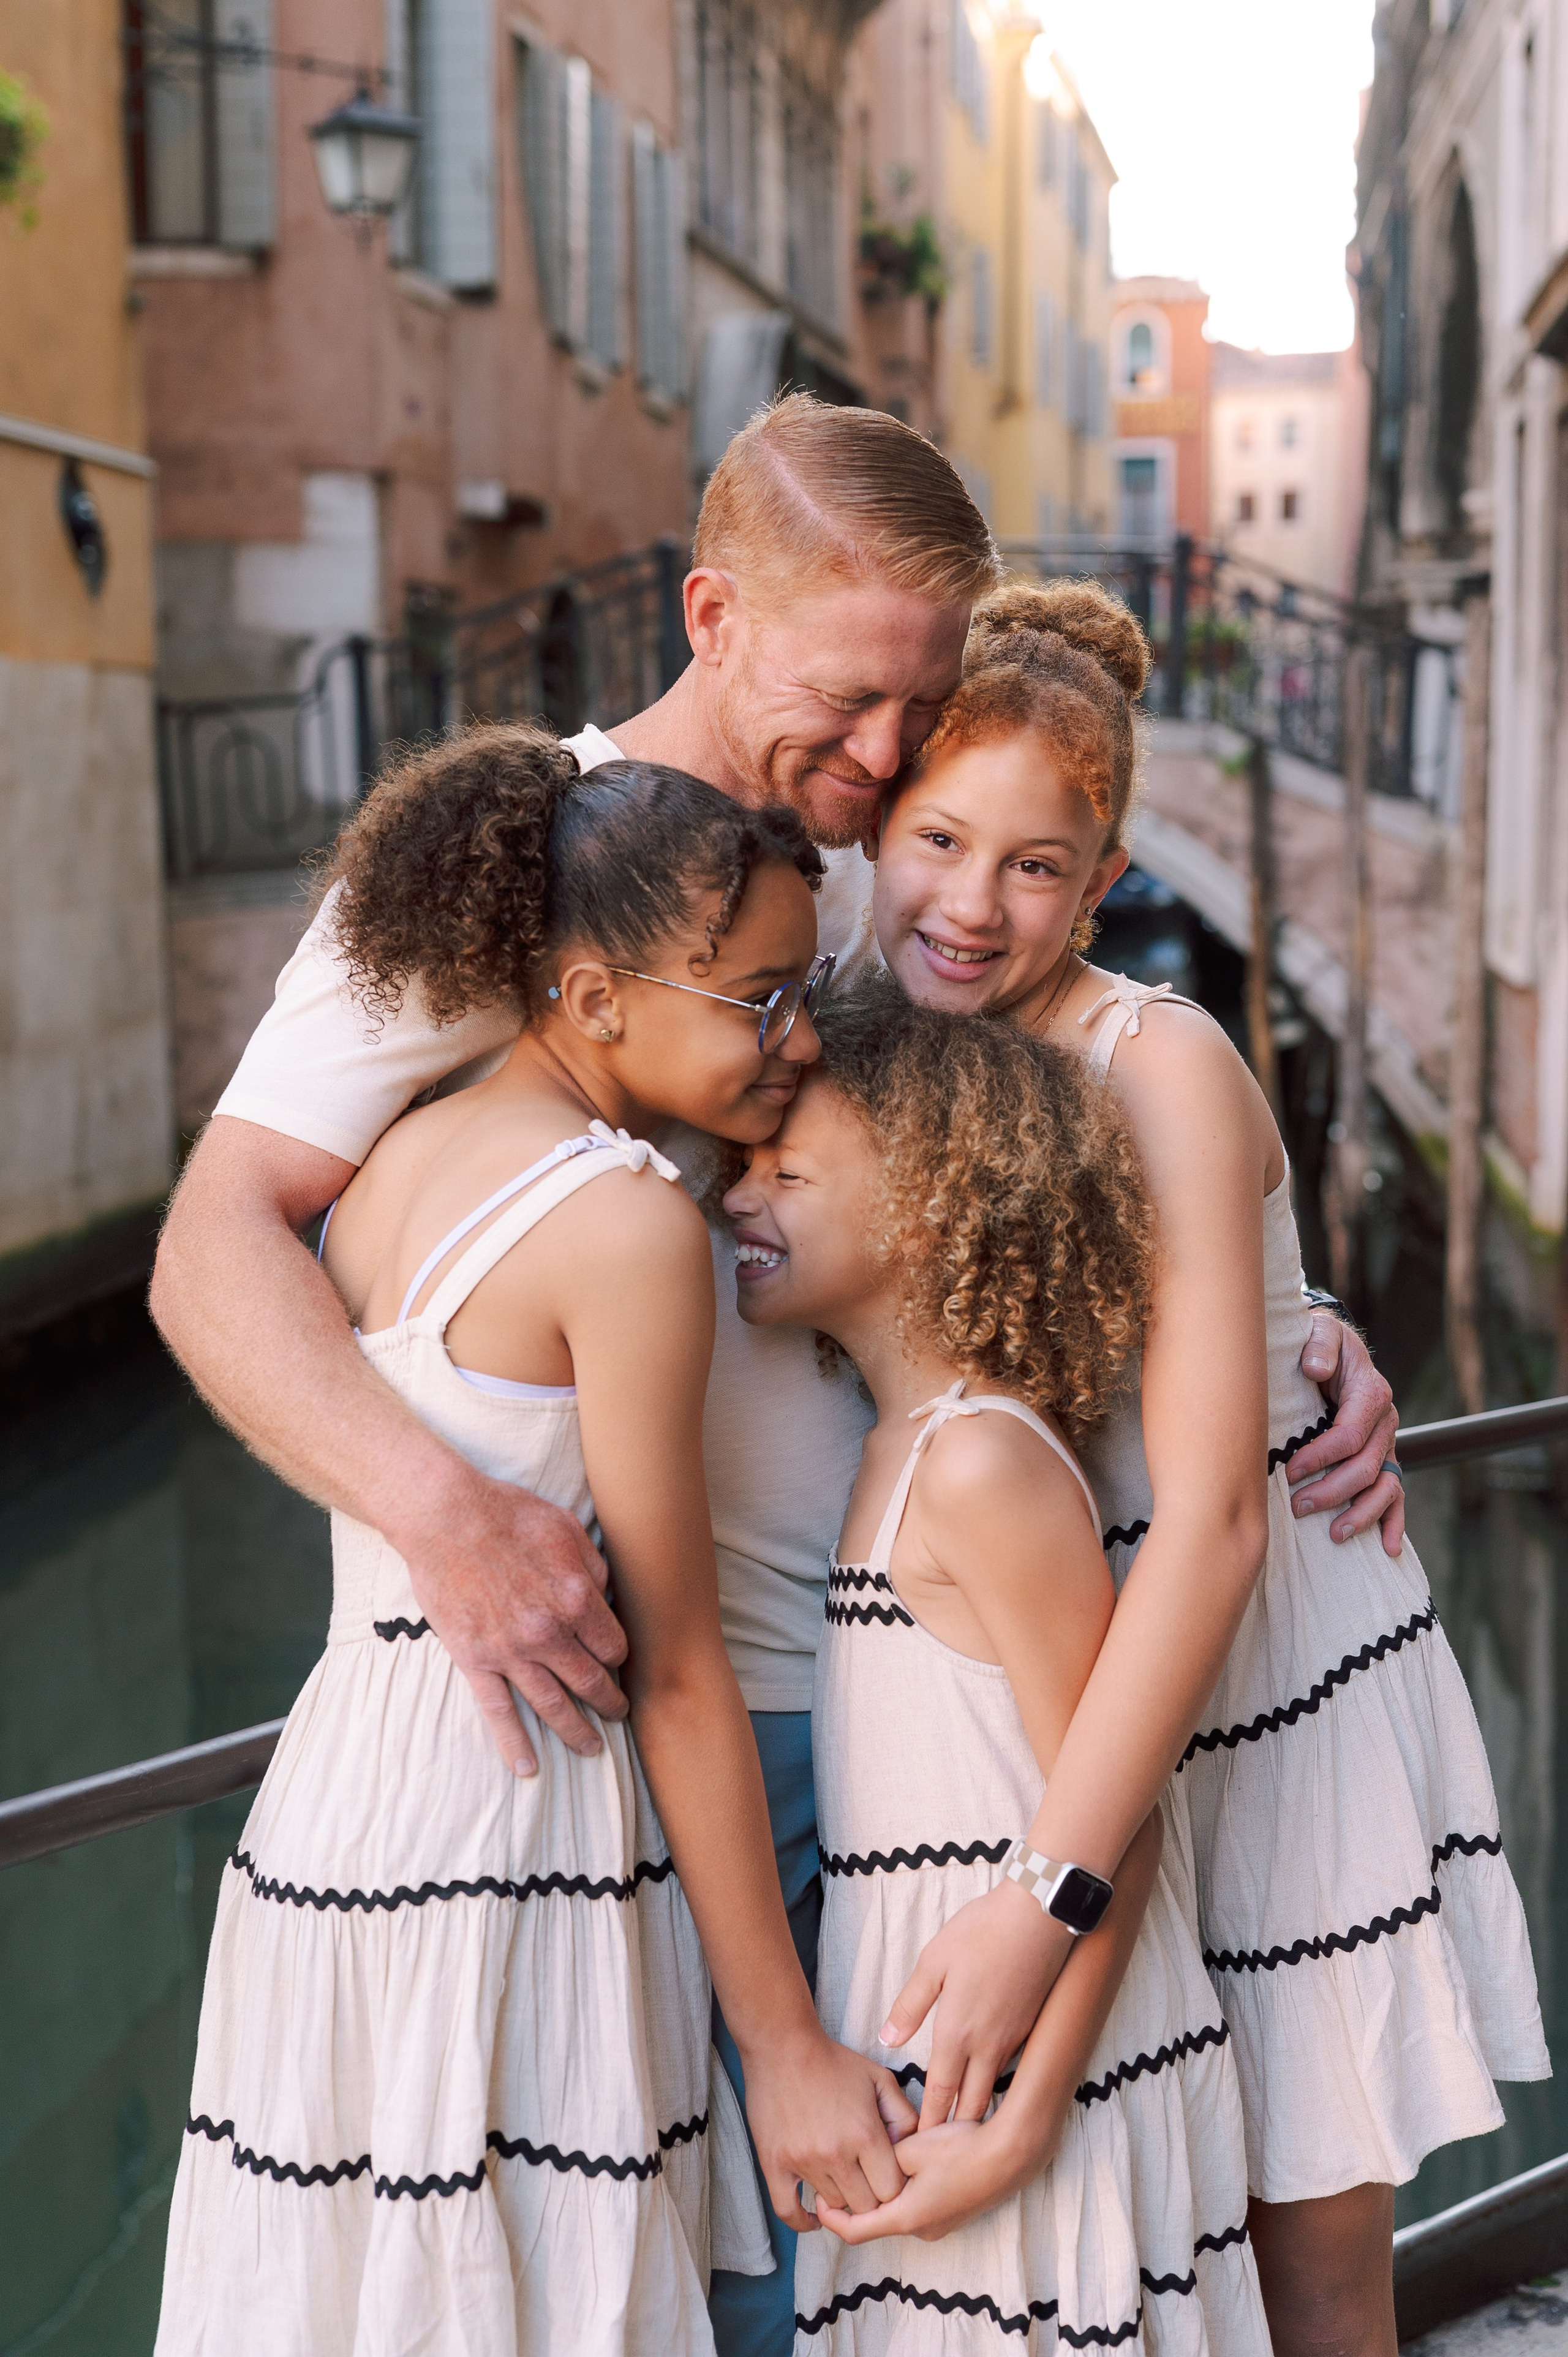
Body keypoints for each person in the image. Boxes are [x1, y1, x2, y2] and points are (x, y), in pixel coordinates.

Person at [149, 396, 1401, 2354]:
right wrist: (442, 1518)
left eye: (923, 709)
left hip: (957, 1702)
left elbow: (1053, 1140)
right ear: (713, 613)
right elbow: (217, 1243)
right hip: (696, 1755)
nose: (892, 761)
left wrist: (1286, 1321)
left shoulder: (873, 873)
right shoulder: (553, 883)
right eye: (853, 701)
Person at [154, 733, 918, 2356]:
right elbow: (684, 1669)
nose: (796, 1042)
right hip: (521, 1818)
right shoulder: (627, 1223)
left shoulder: (394, 1159)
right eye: (759, 999)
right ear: (592, 999)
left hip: (338, 1807)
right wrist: (781, 2048)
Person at [858, 579, 1549, 2357]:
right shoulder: (869, 1046)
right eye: (939, 837)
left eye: (1038, 864)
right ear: (877, 823)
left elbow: (1225, 1511)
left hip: (1258, 1664)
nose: (972, 900)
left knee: (1305, 2251)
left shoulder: (1154, 1060)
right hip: (1083, 1679)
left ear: (1105, 885)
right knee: (1142, 2230)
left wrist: (1044, 1899)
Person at [722, 984, 1271, 2352]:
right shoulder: (894, 1454)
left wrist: (1023, 2124)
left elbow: (1117, 1811)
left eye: (785, 1171)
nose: (735, 1193)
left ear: (925, 1208)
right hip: (943, 2078)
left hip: (1047, 2086)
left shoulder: (976, 1462)